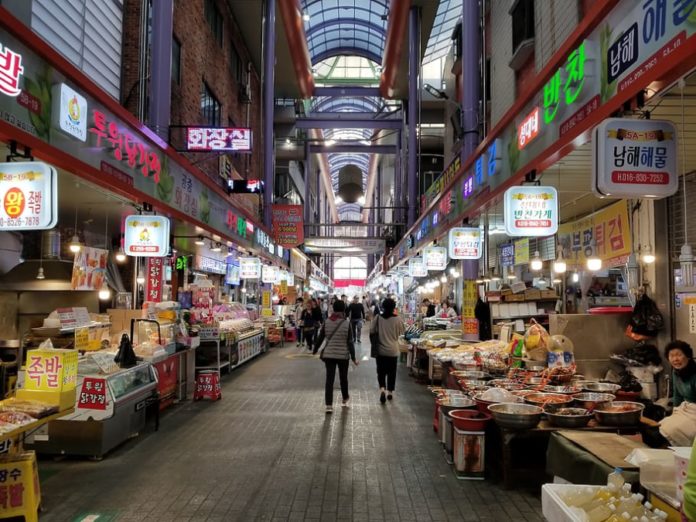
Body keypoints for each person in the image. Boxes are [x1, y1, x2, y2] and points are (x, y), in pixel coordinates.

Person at [319, 300, 358, 413]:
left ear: (333, 309)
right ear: (343, 310)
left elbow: (321, 337)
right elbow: (350, 342)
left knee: (329, 379)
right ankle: (345, 399)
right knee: (343, 378)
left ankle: (329, 405)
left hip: (329, 355)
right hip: (343, 356)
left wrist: (315, 349)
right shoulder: (347, 323)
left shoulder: (327, 322)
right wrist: (354, 357)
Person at [658, 341, 696, 447]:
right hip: (686, 408)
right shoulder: (676, 372)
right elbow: (677, 395)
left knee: (674, 430)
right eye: (671, 356)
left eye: (679, 355)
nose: (675, 359)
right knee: (663, 425)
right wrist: (674, 412)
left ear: (688, 356)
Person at [370, 298, 405, 404]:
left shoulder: (378, 318)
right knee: (392, 372)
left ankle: (382, 390)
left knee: (381, 372)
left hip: (380, 351)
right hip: (393, 351)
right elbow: (402, 332)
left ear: (383, 307)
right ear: (394, 307)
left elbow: (372, 331)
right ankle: (390, 392)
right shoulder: (398, 319)